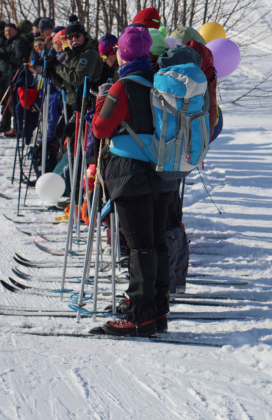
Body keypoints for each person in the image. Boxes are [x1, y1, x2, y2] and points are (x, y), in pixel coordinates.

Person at [92, 24, 177, 336]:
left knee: (140, 246)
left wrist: (101, 101)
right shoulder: (161, 81)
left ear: (122, 53)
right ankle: (157, 311)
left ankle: (139, 315)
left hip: (130, 175)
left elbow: (100, 129)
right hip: (161, 173)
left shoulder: (122, 85)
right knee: (156, 243)